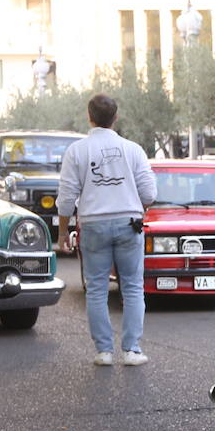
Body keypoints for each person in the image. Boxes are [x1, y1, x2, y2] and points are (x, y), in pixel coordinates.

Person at [56, 94, 157, 366]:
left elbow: (66, 197)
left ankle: (104, 351)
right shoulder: (133, 149)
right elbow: (149, 192)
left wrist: (63, 232)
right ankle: (132, 350)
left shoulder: (77, 151)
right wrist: (136, 204)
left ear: (89, 117)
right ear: (116, 117)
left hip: (93, 225)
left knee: (97, 288)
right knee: (134, 287)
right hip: (129, 223)